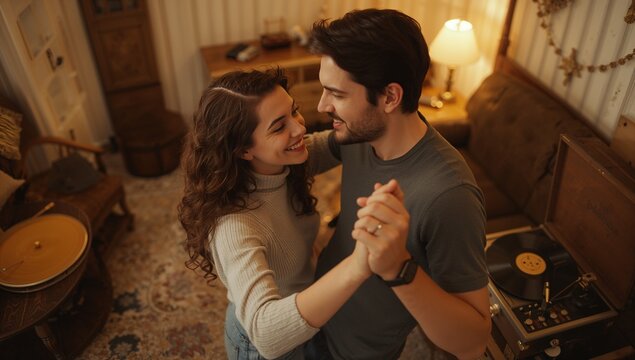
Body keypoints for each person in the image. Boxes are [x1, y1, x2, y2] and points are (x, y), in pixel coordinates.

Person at [304, 8, 491, 359]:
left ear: (390, 97)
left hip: (352, 351)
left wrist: (399, 268)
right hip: (311, 307)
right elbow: (307, 152)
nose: (321, 105)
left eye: (337, 94)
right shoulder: (359, 133)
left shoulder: (450, 196)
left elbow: (473, 342)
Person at [178, 68, 372, 360]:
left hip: (302, 311)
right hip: (261, 345)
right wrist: (359, 265)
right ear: (243, 149)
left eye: (294, 112)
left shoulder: (286, 160)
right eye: (279, 127)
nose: (299, 129)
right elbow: (267, 334)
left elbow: (339, 141)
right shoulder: (234, 225)